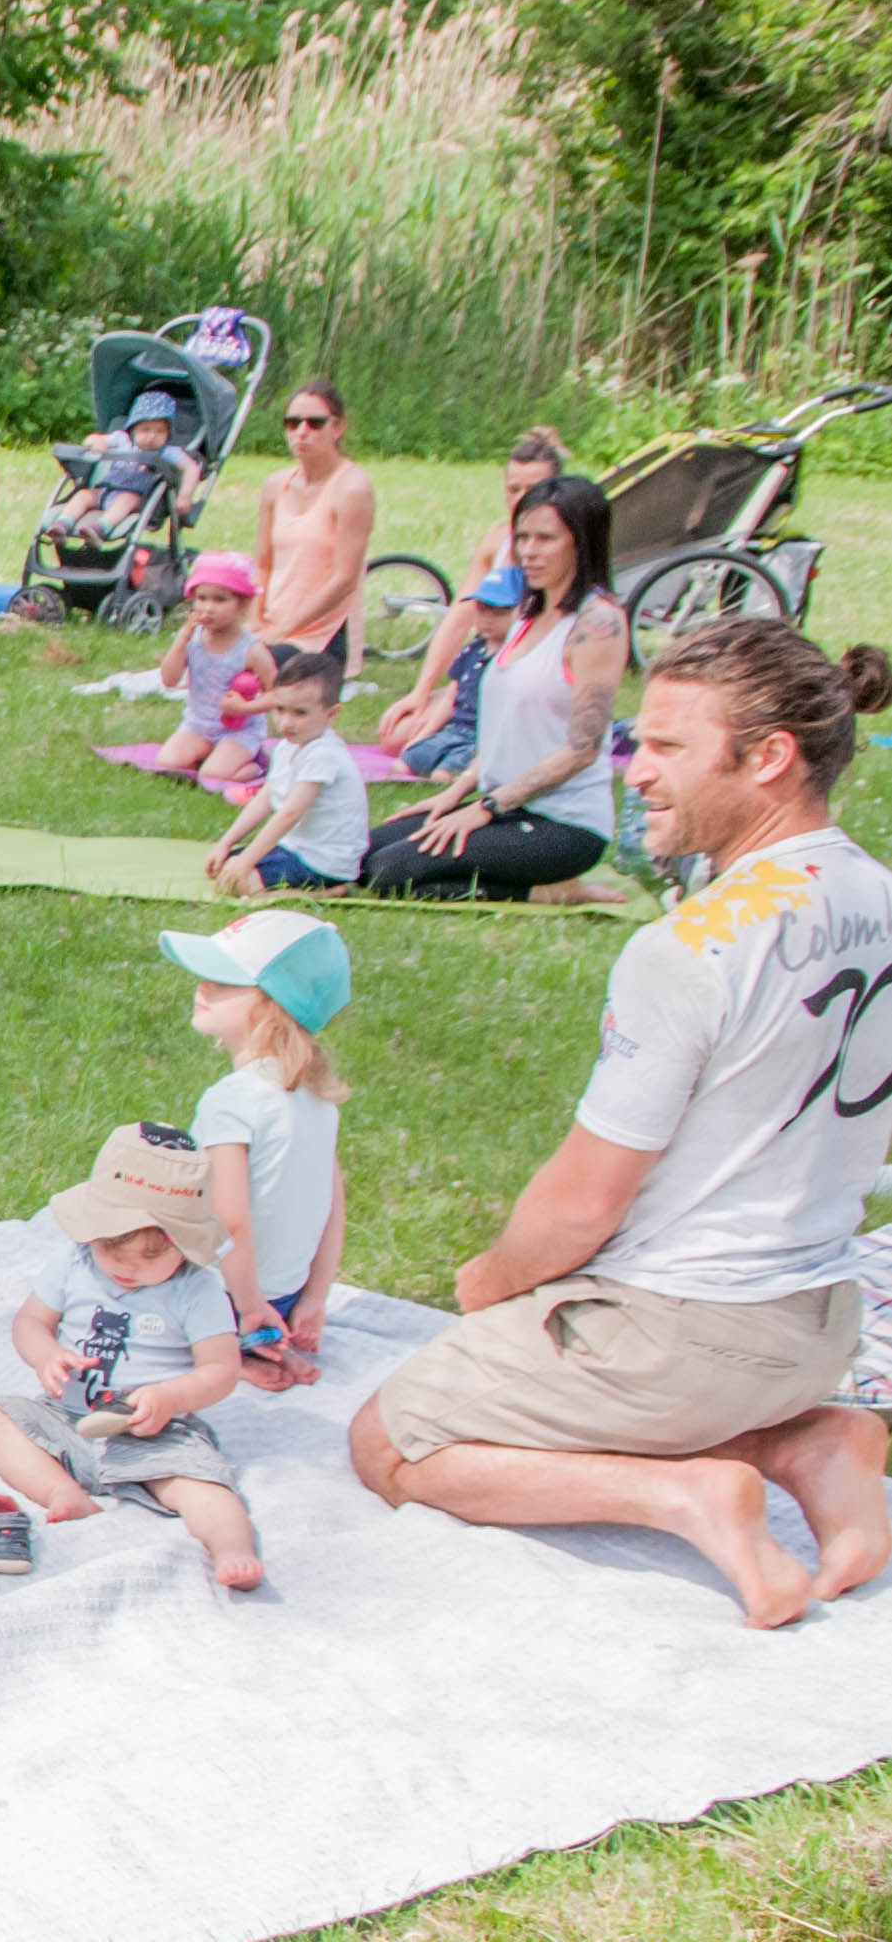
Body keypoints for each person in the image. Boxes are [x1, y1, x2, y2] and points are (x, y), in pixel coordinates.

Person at [350, 617, 892, 1629]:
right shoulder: (878, 894)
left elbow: (582, 1201)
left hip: (685, 1333)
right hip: (822, 1318)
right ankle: (803, 1443)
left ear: (767, 758)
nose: (632, 771)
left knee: (386, 1441)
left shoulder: (689, 946)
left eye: (666, 747)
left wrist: (492, 1281)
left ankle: (688, 1493)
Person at [0, 1121, 263, 1590]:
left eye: (150, 1255)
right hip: (66, 1416)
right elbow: (30, 1322)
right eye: (111, 1248)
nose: (127, 1266)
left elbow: (223, 1369)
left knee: (204, 1487)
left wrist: (169, 1396)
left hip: (155, 1430)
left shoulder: (197, 1287)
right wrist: (46, 1355)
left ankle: (232, 1549)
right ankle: (62, 1490)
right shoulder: (74, 1262)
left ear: (183, 1246)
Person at [358, 474, 626, 902]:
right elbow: (505, 732)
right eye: (522, 537)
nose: (528, 552)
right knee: (362, 855)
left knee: (393, 873)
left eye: (545, 539)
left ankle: (555, 891)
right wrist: (456, 794)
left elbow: (583, 750)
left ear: (582, 542)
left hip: (562, 824)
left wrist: (485, 809)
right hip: (501, 805)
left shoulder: (599, 624)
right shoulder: (526, 617)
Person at [166, 910, 352, 1394]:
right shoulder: (318, 1099)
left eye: (222, 981)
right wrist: (314, 1299)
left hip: (222, 1302)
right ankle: (253, 1346)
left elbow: (228, 1221)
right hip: (285, 1300)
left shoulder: (233, 1099)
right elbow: (333, 1208)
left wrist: (248, 1312)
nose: (201, 988)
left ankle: (227, 1350)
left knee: (103, 1259)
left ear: (272, 1006)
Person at [374, 427, 569, 776]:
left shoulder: (566, 550)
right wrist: (423, 692)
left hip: (534, 685)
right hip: (483, 671)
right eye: (514, 489)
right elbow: (461, 616)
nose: (523, 498)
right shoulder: (497, 541)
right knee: (398, 734)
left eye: (534, 489)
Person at [206, 647, 369, 897]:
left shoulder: (323, 753)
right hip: (295, 848)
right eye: (280, 710)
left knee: (235, 883)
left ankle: (323, 893)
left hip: (323, 862)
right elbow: (264, 800)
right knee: (224, 866)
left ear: (331, 714)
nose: (285, 723)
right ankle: (264, 877)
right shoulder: (286, 746)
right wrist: (225, 843)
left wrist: (246, 861)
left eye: (300, 713)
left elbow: (289, 814)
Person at [249, 382, 378, 676]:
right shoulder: (275, 485)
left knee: (239, 672)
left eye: (315, 423)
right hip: (272, 624)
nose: (302, 432)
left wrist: (283, 630)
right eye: (292, 423)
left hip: (320, 636)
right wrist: (257, 620)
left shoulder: (352, 488)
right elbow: (263, 562)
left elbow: (344, 579)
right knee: (204, 657)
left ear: (338, 427)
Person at [154, 554, 268, 781]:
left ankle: (259, 765)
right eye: (202, 598)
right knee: (166, 763)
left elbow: (279, 695)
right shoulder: (193, 639)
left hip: (239, 731)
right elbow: (169, 680)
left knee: (213, 775)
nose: (208, 607)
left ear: (242, 604)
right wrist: (181, 640)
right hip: (198, 726)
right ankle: (210, 754)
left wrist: (244, 709)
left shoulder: (251, 649)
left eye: (220, 600)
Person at [43, 390, 202, 547]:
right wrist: (98, 445)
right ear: (133, 429)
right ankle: (62, 524)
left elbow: (191, 468)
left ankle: (100, 529)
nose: (152, 436)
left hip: (136, 497)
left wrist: (185, 496)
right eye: (146, 429)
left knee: (126, 499)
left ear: (168, 433)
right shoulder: (122, 439)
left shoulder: (167, 451)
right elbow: (93, 438)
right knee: (83, 495)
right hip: (105, 490)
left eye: (160, 431)